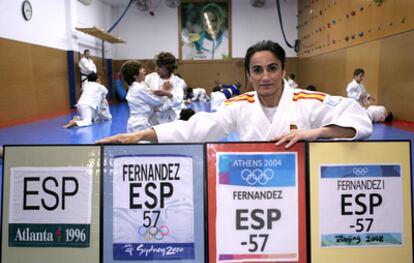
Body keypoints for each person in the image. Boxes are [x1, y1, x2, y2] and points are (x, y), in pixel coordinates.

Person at [97, 40, 372, 149]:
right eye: (257, 70)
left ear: (283, 70)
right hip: (250, 188)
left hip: (300, 187)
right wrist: (137, 135)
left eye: (272, 68)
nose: (265, 76)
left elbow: (359, 118)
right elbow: (197, 127)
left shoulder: (307, 102)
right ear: (249, 75)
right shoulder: (239, 105)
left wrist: (315, 132)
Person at [121, 61, 173, 133]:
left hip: (135, 122)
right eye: (141, 69)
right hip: (140, 124)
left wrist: (158, 91)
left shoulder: (135, 87)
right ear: (135, 76)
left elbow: (150, 92)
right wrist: (166, 92)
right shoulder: (139, 88)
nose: (144, 70)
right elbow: (156, 101)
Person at [145, 52, 186, 124]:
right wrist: (154, 92)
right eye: (156, 66)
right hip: (152, 118)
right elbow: (141, 93)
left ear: (168, 67)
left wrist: (168, 94)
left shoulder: (178, 81)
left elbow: (178, 101)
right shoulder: (149, 78)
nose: (156, 69)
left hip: (170, 119)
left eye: (160, 67)